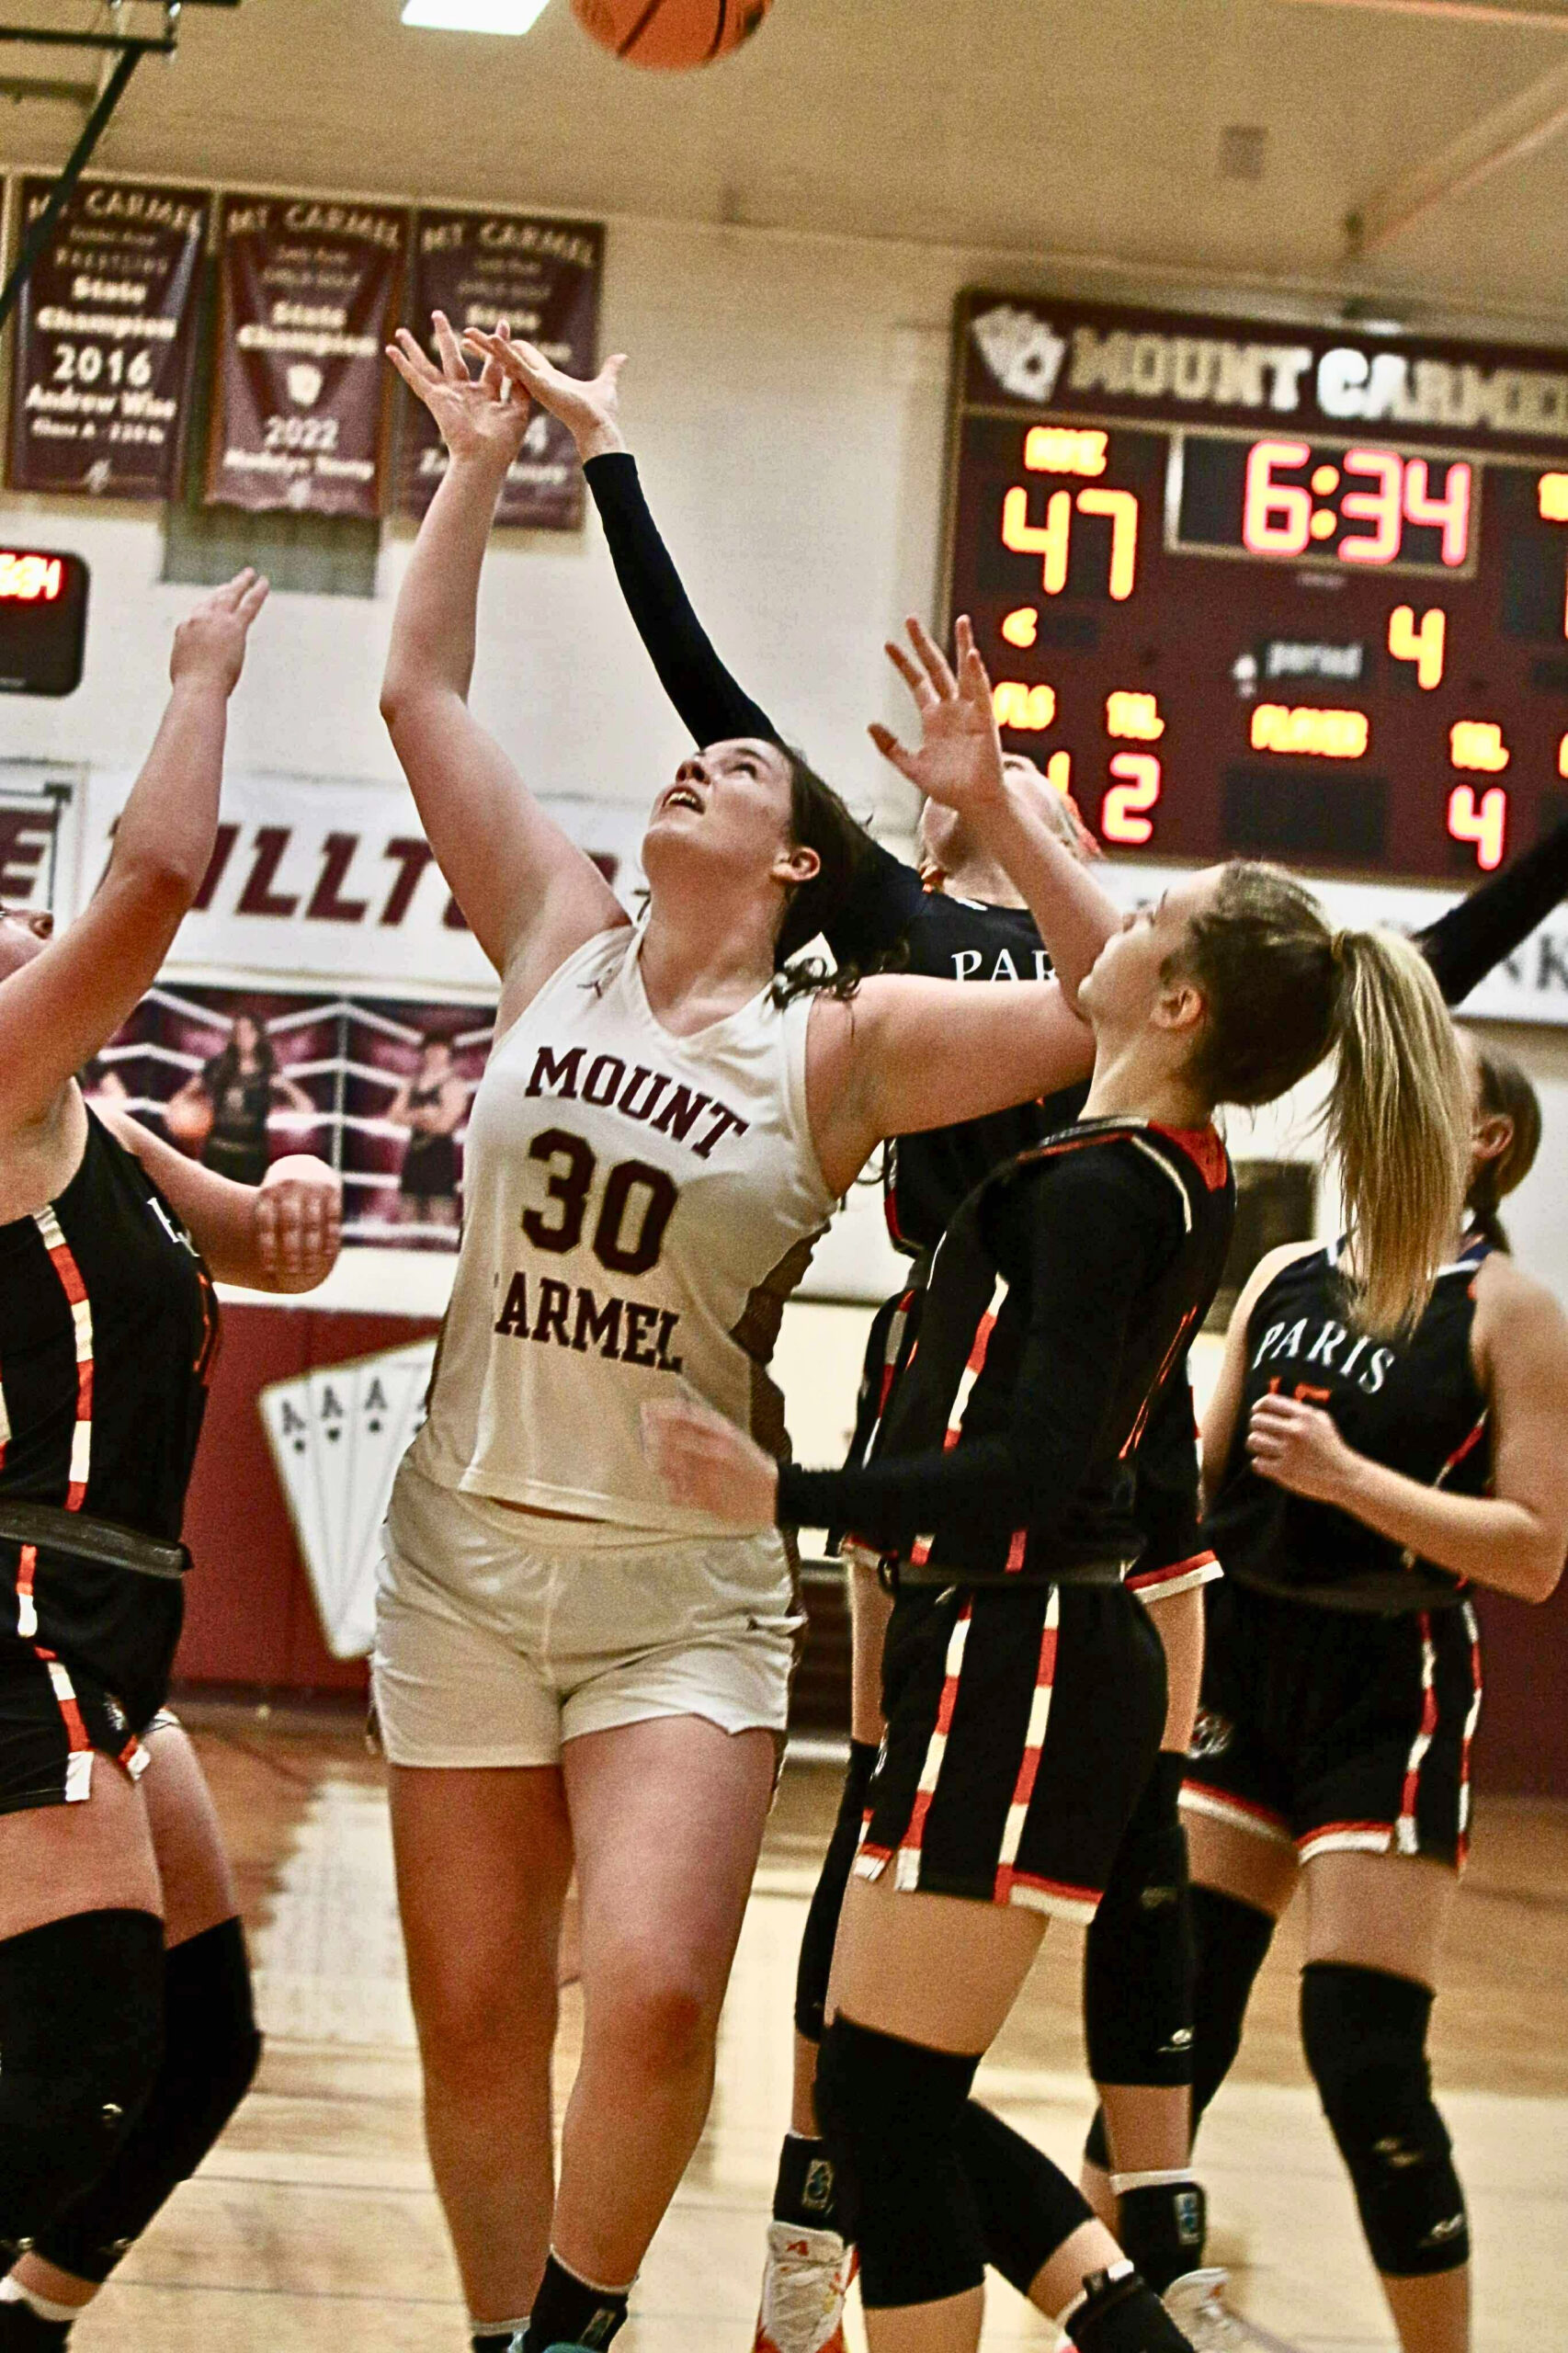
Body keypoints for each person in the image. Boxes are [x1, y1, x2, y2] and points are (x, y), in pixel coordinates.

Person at [467, 324, 1568, 2352]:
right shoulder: (930, 941)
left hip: (1071, 1519)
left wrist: (794, 1485)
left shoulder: (1109, 1029)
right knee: (899, 1923)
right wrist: (612, 464)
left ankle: (1146, 2242)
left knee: (1081, 1905)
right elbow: (718, 702)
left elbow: (1361, 961)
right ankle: (880, 2241)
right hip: (972, 1510)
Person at [375, 313, 1124, 2353]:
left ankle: (581, 2319)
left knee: (664, 1987)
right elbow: (418, 683)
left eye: (740, 760)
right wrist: (474, 461)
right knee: (465, 2015)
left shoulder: (844, 1043)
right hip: (458, 1556)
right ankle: (500, 2337)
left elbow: (1126, 1002)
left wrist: (997, 805)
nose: (694, 748)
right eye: (686, 750)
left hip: (679, 1587)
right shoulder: (552, 932)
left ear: (799, 863)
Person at [646, 639, 1476, 2353]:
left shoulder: (1111, 1191)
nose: (1112, 915)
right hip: (999, 1652)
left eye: (1149, 913)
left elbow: (1022, 1480)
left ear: (1170, 1002)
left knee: (888, 2109)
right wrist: (986, 802)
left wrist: (786, 1486)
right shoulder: (1124, 1161)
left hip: (1026, 1653)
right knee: (893, 2102)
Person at [0, 572, 343, 2347]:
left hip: (110, 1626)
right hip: (18, 1614)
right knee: (73, 2068)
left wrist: (289, 1208)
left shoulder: (80, 1107)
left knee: (198, 2054)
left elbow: (274, 1256)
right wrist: (203, 676)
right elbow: (149, 881)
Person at [1165, 1033, 1568, 2353]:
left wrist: (1350, 1480)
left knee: (1363, 2059)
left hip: (1387, 1679)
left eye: (1427, 1065)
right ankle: (1112, 2320)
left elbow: (1533, 1550)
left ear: (1488, 1136)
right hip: (1240, 1662)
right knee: (1166, 2034)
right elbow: (1196, 1482)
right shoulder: (1282, 1272)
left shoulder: (1508, 1311)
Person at [166, 1008, 316, 1187]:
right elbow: (185, 1093)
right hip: (218, 1152)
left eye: (249, 1031)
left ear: (259, 1035)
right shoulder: (217, 1067)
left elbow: (306, 1107)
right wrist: (178, 1112)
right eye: (239, 1031)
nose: (244, 1036)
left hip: (251, 1158)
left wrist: (285, 1086)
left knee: (243, 1209)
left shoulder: (268, 1071)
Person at [388, 1036, 468, 1231]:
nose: (435, 1054)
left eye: (441, 1049)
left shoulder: (455, 1084)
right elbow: (393, 1116)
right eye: (431, 1049)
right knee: (407, 1217)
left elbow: (445, 1125)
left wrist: (413, 1116)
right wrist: (424, 1114)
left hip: (440, 1158)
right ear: (424, 1052)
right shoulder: (412, 1082)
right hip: (415, 1156)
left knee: (440, 1219)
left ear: (449, 1053)